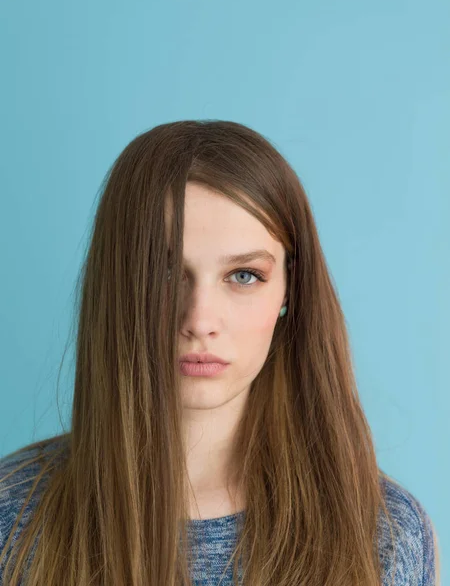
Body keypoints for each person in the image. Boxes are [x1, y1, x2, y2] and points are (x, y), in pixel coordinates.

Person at [0, 120, 440, 585]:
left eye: (244, 275)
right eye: (162, 274)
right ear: (116, 286)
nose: (199, 320)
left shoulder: (385, 534)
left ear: (291, 289)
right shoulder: (13, 516)